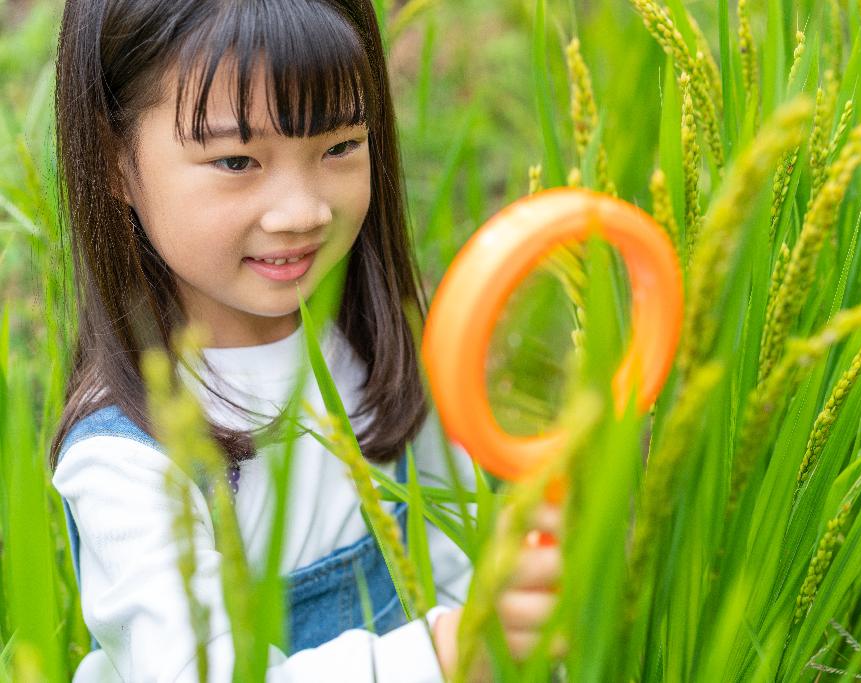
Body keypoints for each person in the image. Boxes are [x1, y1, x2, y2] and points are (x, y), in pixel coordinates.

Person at [48, 1, 563, 681]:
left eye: (340, 146)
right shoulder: (126, 457)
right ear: (115, 162)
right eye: (237, 160)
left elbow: (457, 566)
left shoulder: (387, 350)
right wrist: (446, 653)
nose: (303, 211)